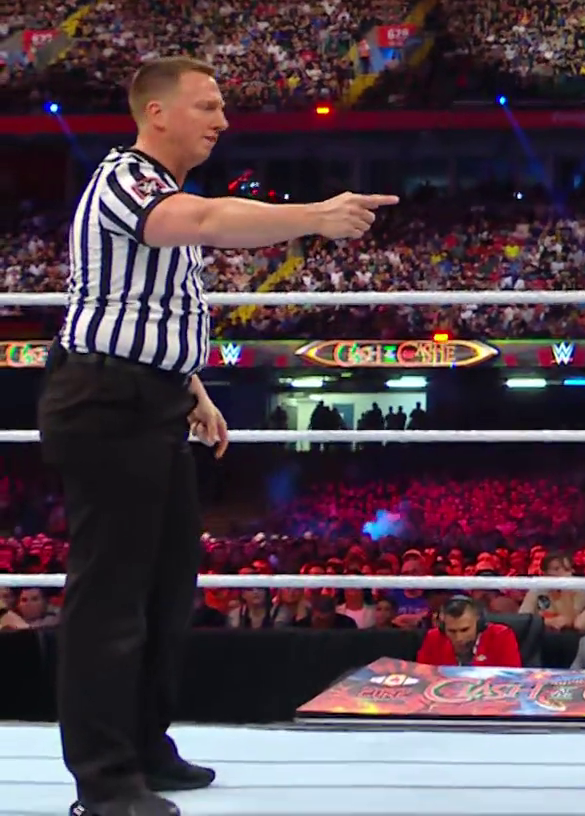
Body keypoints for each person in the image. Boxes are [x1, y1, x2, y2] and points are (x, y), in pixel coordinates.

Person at [36, 57, 396, 816]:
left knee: (167, 590)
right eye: (207, 105)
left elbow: (148, 306)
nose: (222, 120)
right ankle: (104, 782)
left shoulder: (160, 187)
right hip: (105, 404)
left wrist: (190, 387)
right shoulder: (125, 179)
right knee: (110, 599)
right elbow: (201, 224)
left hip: (150, 398)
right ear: (157, 113)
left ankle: (143, 747)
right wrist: (315, 215)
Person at [417, 597, 522, 667]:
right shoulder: (433, 638)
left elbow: (512, 678)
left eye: (465, 630)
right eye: (452, 631)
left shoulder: (501, 636)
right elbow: (422, 676)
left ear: (479, 622)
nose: (458, 638)